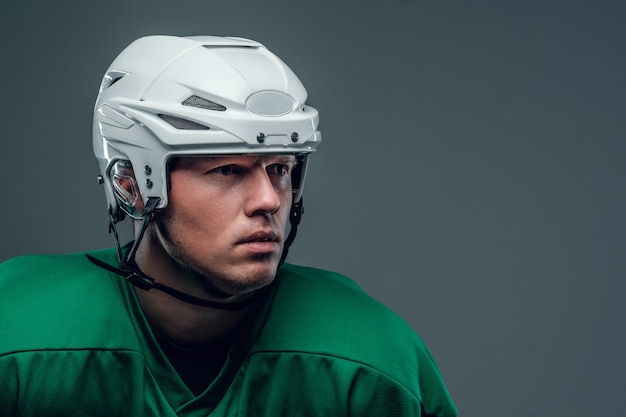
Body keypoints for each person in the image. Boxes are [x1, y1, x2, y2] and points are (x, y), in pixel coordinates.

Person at [0, 35, 457, 416]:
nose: (268, 201)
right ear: (132, 184)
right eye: (228, 170)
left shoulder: (370, 361)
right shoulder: (17, 337)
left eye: (279, 169)